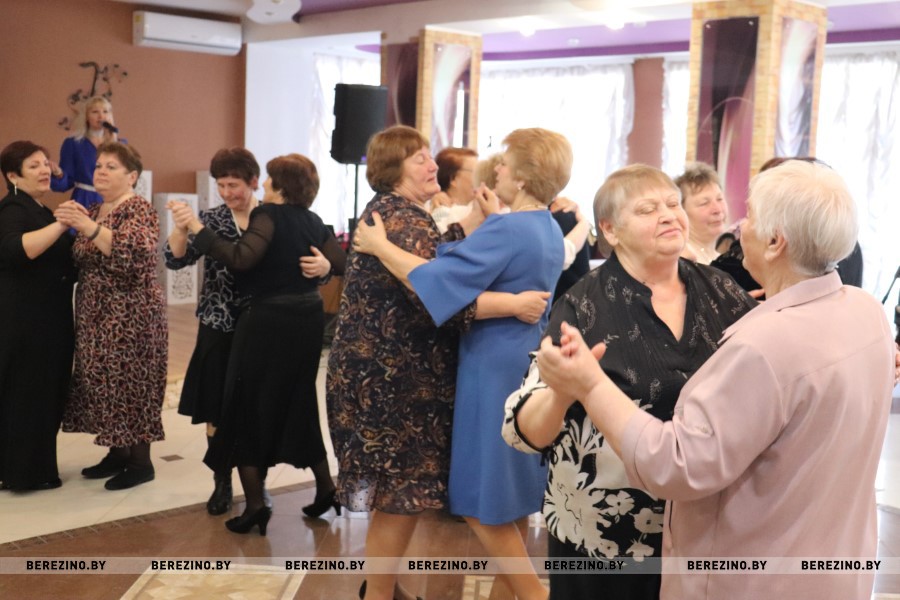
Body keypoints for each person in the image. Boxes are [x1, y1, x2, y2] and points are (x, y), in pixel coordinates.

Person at [534, 160, 896, 600]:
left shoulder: (754, 333)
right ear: (610, 229)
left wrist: (591, 386)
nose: (739, 226)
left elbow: (677, 464)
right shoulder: (865, 310)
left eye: (751, 217)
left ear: (776, 242)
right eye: (648, 209)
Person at [502, 164, 756, 600]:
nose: (668, 215)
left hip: (703, 524)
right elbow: (525, 433)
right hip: (604, 536)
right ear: (610, 230)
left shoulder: (721, 290)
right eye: (647, 209)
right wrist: (564, 391)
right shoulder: (583, 306)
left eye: (673, 204)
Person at [353, 127, 580, 600]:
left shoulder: (509, 228)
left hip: (490, 366)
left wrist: (380, 246)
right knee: (511, 492)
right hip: (523, 359)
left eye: (504, 165)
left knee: (479, 497)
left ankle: (534, 595)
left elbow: (435, 278)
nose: (497, 171)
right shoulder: (545, 227)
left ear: (522, 177)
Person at [169, 153, 346, 536]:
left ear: (277, 186)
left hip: (266, 322)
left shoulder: (268, 214)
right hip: (304, 321)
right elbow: (342, 261)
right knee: (298, 402)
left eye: (266, 180)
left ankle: (254, 505)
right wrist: (328, 267)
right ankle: (325, 488)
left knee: (244, 406)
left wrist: (197, 228)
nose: (263, 185)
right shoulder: (312, 219)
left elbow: (242, 258)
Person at [56, 142, 167, 491]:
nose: (101, 172)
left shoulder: (139, 209)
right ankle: (118, 452)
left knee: (132, 384)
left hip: (131, 315)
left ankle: (141, 463)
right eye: (99, 166)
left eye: (111, 167)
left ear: (131, 176)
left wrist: (88, 227)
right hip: (95, 313)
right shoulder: (95, 208)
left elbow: (132, 256)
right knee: (104, 383)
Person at [165, 148, 261, 516]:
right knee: (215, 406)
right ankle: (222, 481)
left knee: (254, 406)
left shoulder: (269, 218)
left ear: (253, 182)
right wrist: (180, 226)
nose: (226, 193)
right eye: (221, 185)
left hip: (259, 325)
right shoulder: (212, 219)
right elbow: (175, 260)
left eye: (233, 185)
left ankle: (256, 484)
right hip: (218, 323)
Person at [0, 141, 77, 491]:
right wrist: (62, 224)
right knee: (28, 394)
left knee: (44, 393)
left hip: (47, 318)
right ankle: (24, 474)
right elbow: (18, 250)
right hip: (27, 321)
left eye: (45, 163)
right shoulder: (13, 208)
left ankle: (35, 469)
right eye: (34, 166)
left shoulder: (39, 208)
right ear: (13, 176)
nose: (45, 170)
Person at [51, 96, 121, 209]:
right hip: (84, 200)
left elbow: (123, 175)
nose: (101, 116)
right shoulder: (73, 143)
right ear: (86, 116)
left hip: (112, 201)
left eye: (105, 112)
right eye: (95, 112)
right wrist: (59, 174)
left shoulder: (120, 144)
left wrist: (113, 140)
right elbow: (66, 183)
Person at [674, 162, 727, 264]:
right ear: (682, 211)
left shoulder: (721, 259)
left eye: (720, 199)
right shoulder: (682, 260)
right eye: (704, 203)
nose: (717, 209)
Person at [429, 146, 478, 233]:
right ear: (453, 179)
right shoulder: (441, 215)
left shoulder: (481, 206)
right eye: (475, 172)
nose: (480, 177)